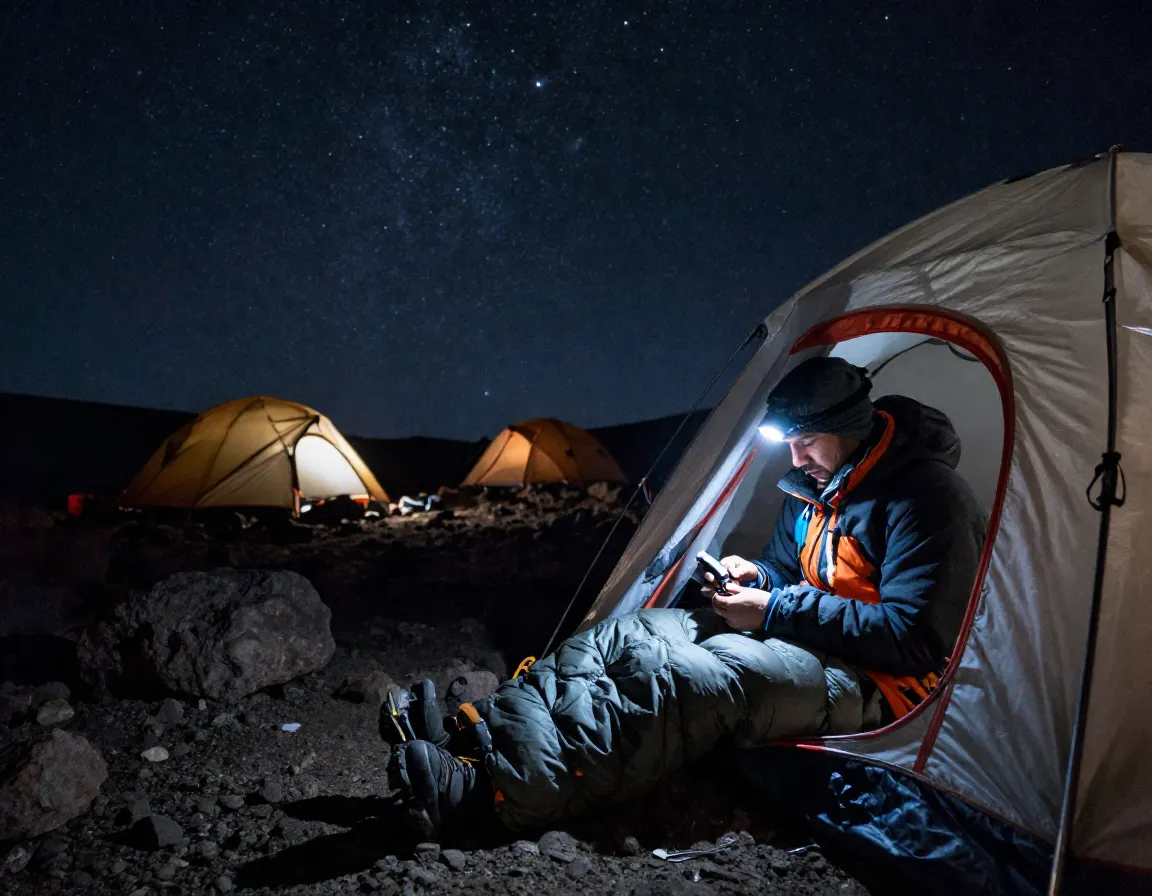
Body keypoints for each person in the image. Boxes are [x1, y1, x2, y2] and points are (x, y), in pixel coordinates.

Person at [382, 357, 988, 837]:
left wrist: (775, 609)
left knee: (681, 678)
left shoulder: (929, 500)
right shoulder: (815, 485)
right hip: (811, 637)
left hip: (884, 682)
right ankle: (476, 731)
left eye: (807, 441)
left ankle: (489, 794)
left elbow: (916, 639)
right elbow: (787, 568)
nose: (796, 457)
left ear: (850, 429)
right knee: (627, 634)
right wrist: (757, 577)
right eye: (790, 443)